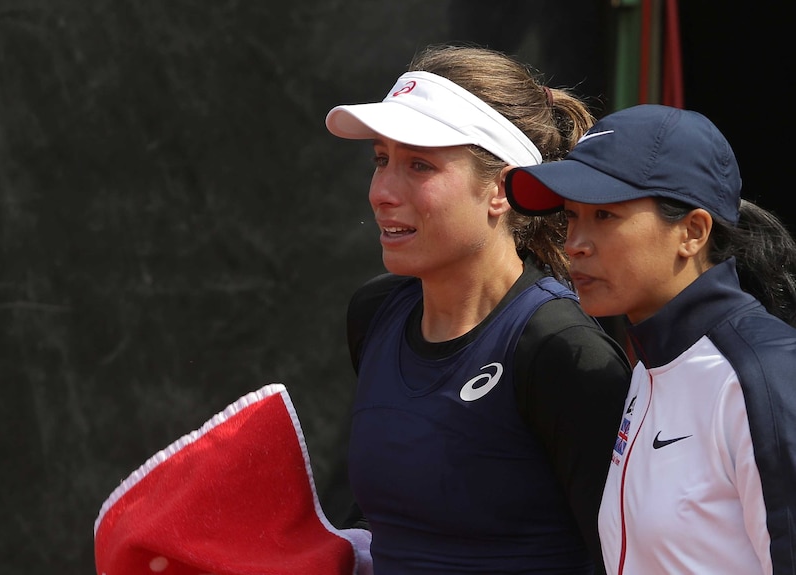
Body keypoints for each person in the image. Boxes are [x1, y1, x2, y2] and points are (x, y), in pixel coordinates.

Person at [324, 44, 632, 574]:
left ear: (502, 189)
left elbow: (619, 558)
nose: (381, 192)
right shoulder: (374, 313)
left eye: (419, 164)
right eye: (381, 160)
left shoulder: (563, 351)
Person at [505, 103, 796, 574]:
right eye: (571, 216)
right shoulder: (651, 365)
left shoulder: (762, 377)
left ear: (693, 232)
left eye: (604, 215)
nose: (574, 242)